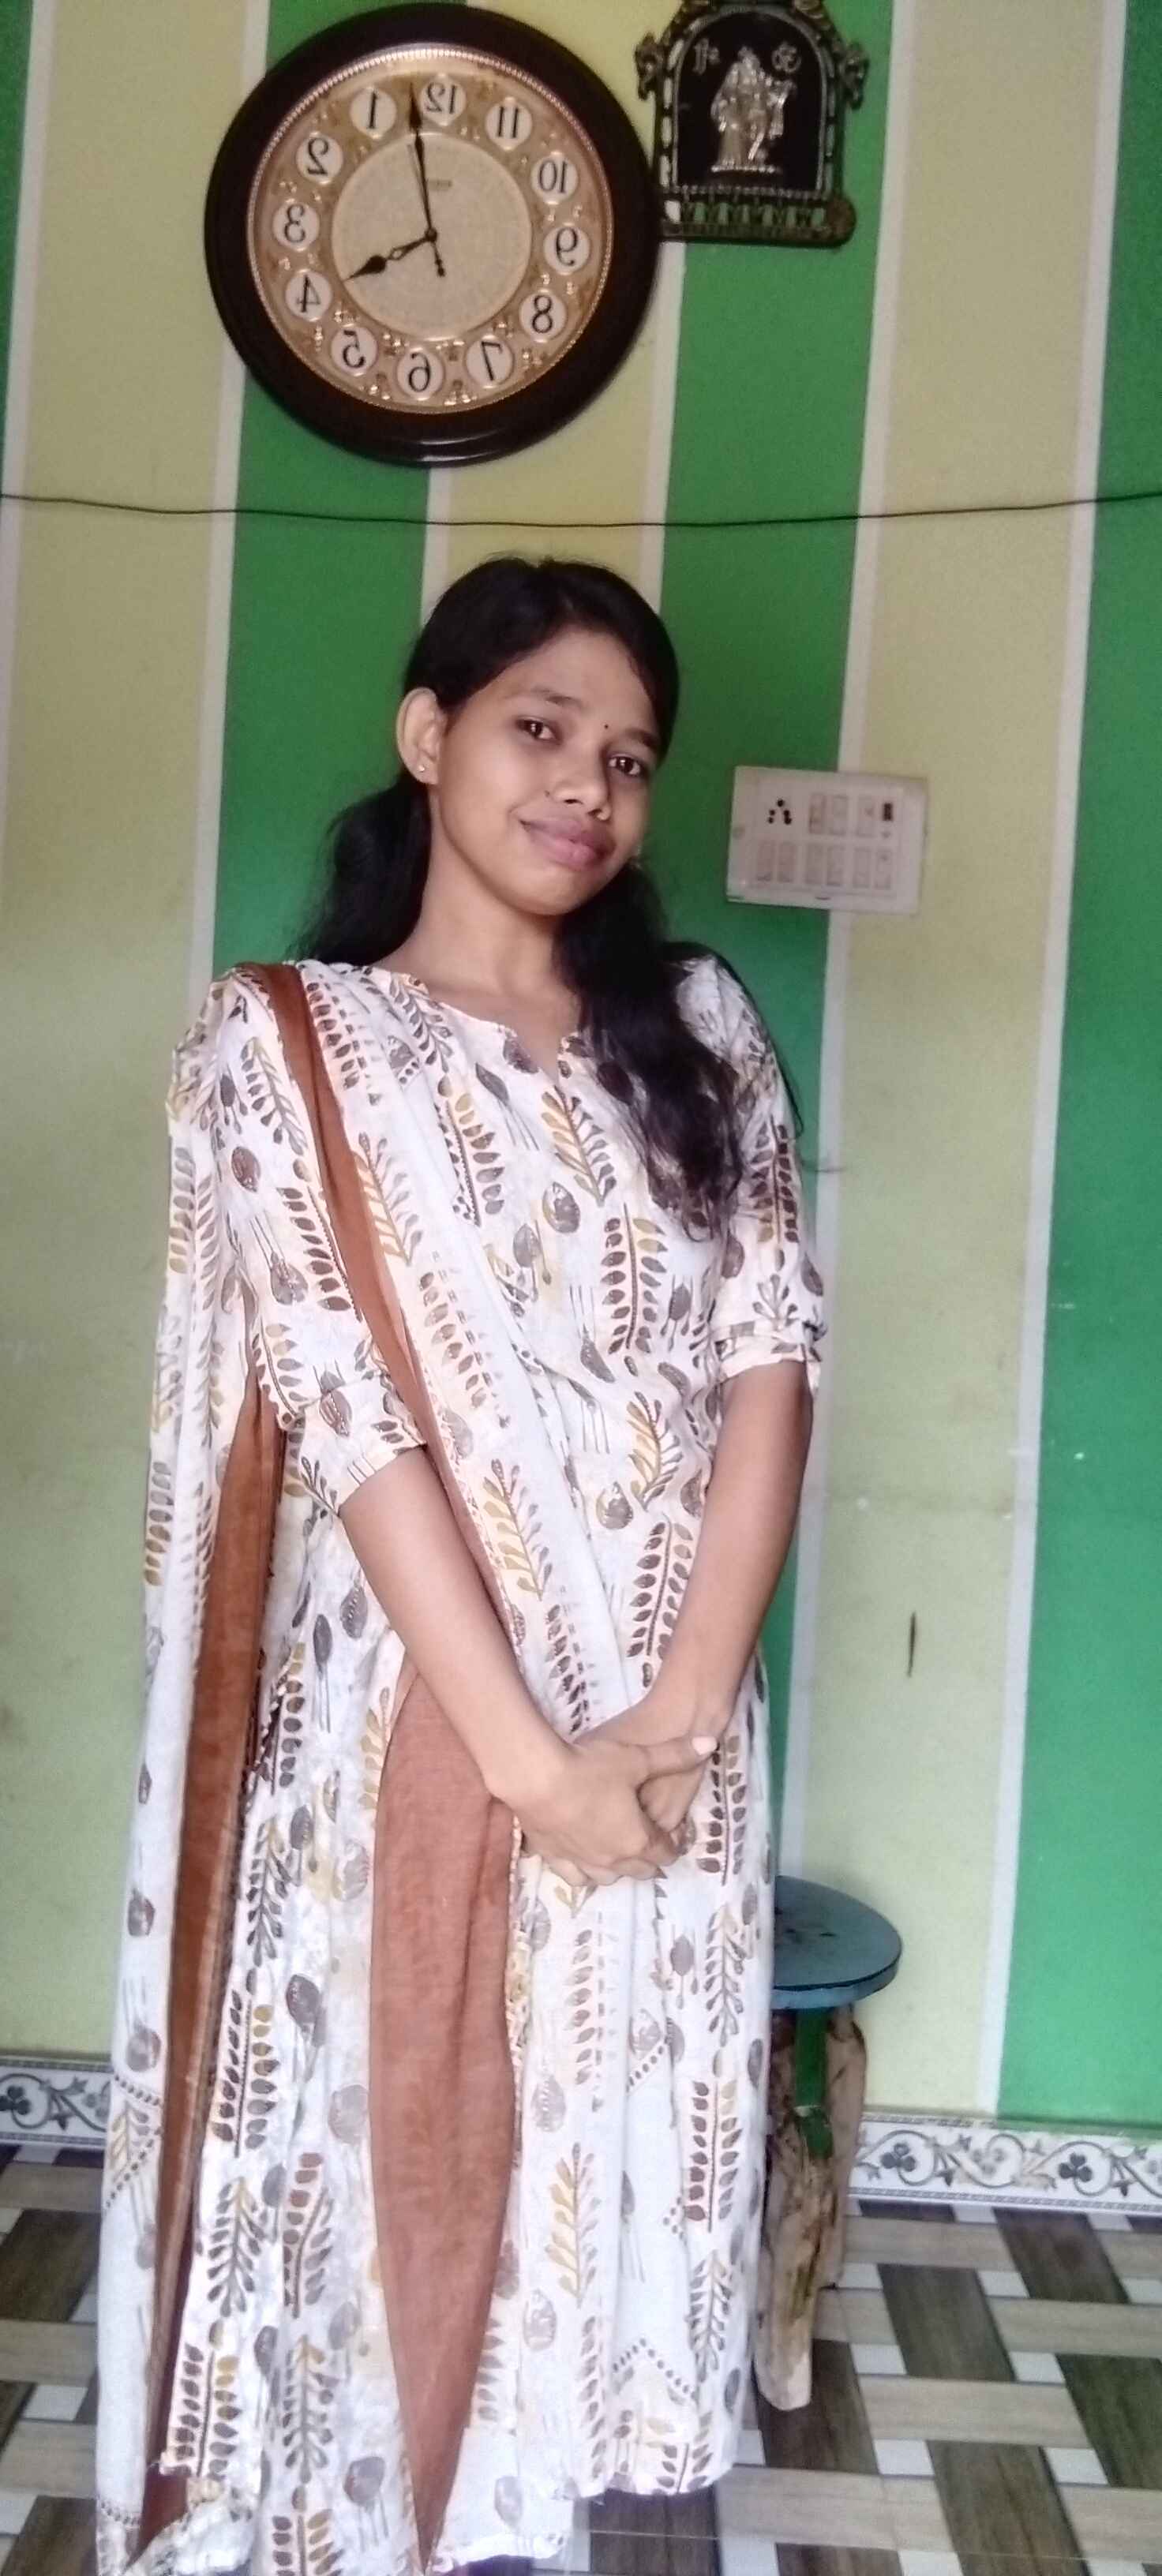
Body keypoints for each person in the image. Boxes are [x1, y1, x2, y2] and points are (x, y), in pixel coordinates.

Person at [95, 554, 825, 2576]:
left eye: (630, 757)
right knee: (398, 2154)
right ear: (427, 736)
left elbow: (772, 1359)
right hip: (425, 1730)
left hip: (667, 1740)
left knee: (595, 2168)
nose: (588, 785)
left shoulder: (698, 1029)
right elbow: (350, 1421)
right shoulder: (289, 1044)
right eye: (540, 728)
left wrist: (672, 1729)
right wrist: (536, 1769)